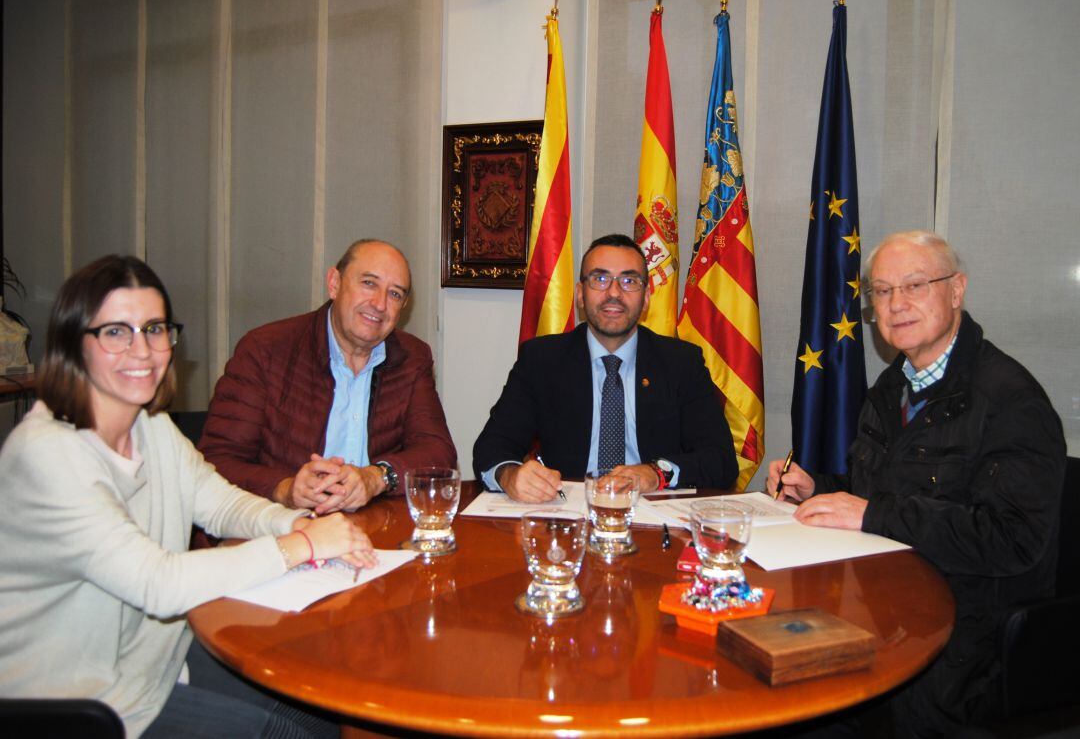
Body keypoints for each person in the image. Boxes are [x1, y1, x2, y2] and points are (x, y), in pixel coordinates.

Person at [0, 255, 378, 738]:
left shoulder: (149, 425)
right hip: (82, 706)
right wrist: (302, 547)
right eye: (116, 331)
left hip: (159, 662)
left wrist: (297, 523)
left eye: (154, 329)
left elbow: (218, 502)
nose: (142, 350)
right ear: (76, 345)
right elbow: (159, 582)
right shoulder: (46, 455)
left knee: (328, 714)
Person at [766, 230, 1065, 737]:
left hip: (966, 644)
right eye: (881, 291)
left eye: (914, 285)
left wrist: (869, 513)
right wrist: (817, 488)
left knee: (801, 712)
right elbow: (882, 486)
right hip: (882, 608)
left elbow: (1012, 539)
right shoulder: (895, 384)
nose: (895, 304)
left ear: (957, 290)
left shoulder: (1012, 401)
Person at [473, 233, 738, 502]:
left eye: (629, 281)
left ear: (646, 297)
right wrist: (509, 475)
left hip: (652, 517)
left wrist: (655, 474)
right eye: (600, 279)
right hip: (568, 515)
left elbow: (721, 461)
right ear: (580, 294)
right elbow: (492, 447)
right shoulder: (542, 359)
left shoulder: (681, 362)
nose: (614, 293)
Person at [199, 239, 455, 515]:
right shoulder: (265, 350)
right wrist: (285, 488)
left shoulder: (411, 357)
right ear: (334, 283)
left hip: (371, 529)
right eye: (369, 283)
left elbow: (438, 452)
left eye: (394, 294)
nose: (379, 304)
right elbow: (216, 462)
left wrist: (376, 478)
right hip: (280, 526)